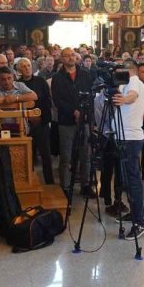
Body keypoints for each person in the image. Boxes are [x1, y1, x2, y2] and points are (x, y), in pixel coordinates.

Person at [110, 59, 144, 239]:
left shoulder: (134, 80)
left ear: (128, 70)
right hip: (123, 136)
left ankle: (140, 222)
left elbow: (132, 96)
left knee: (133, 180)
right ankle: (134, 213)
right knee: (127, 179)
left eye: (120, 70)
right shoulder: (127, 83)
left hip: (130, 138)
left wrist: (123, 99)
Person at [51, 47, 95, 195]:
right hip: (66, 121)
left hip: (84, 120)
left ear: (76, 58)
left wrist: (82, 112)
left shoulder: (86, 75)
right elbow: (58, 100)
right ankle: (66, 187)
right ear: (62, 59)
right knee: (66, 156)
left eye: (72, 55)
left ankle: (86, 185)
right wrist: (73, 111)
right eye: (67, 56)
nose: (70, 58)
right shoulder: (57, 77)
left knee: (86, 155)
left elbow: (90, 96)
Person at [15, 57, 54, 185]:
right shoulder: (17, 84)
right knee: (28, 154)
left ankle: (49, 182)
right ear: (19, 69)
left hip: (41, 123)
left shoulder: (40, 81)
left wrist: (43, 119)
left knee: (45, 155)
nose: (27, 68)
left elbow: (47, 101)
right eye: (24, 66)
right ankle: (29, 181)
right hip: (25, 124)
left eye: (28, 66)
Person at [0, 65, 37, 137]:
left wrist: (16, 98)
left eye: (9, 78)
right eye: (3, 79)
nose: (7, 82)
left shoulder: (20, 85)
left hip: (21, 128)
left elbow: (34, 96)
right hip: (0, 129)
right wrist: (6, 99)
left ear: (13, 77)